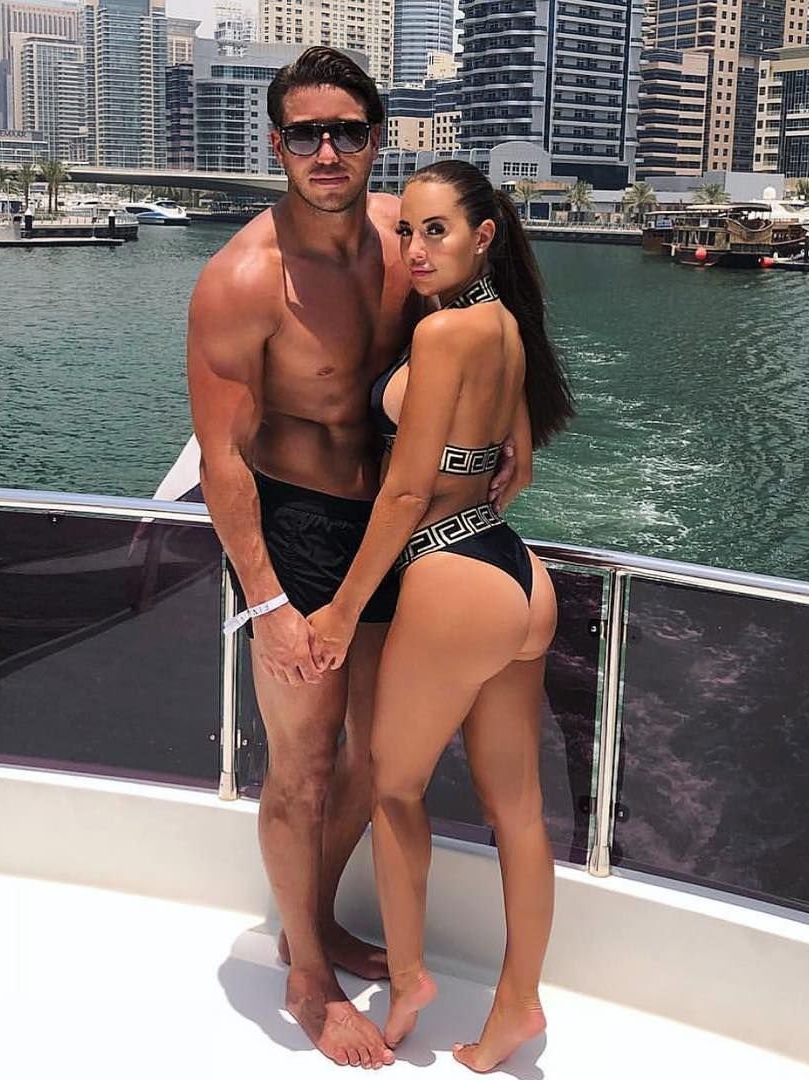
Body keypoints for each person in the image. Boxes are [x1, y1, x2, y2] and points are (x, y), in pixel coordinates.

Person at [186, 49, 513, 1069]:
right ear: (275, 143)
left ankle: (314, 923)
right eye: (304, 133)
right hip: (296, 532)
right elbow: (223, 462)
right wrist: (268, 602)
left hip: (392, 531)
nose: (326, 151)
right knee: (305, 764)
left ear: (378, 138)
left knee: (376, 760)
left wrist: (517, 430)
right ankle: (307, 979)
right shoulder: (243, 279)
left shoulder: (401, 240)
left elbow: (487, 319)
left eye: (347, 132)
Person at [308, 160, 575, 1072]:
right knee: (521, 812)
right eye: (406, 232)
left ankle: (410, 977)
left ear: (482, 236)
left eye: (436, 231)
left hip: (450, 570)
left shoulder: (445, 333)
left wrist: (342, 610)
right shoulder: (505, 327)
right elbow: (517, 461)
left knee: (393, 786)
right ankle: (518, 1004)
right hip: (515, 571)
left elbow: (405, 491)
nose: (416, 250)